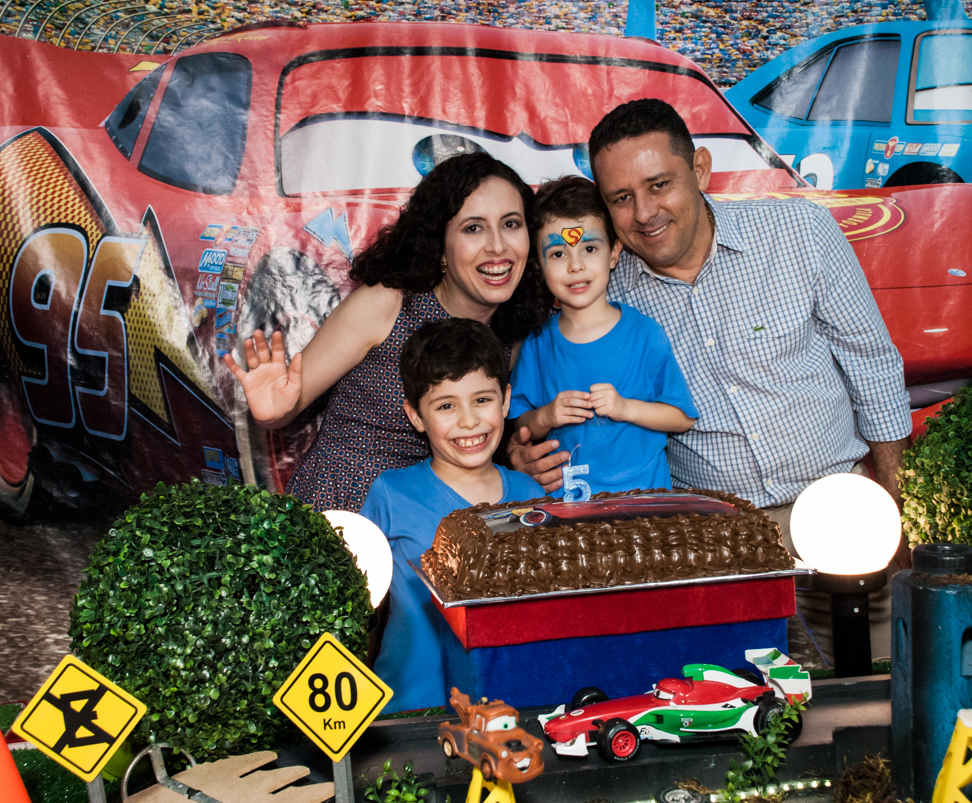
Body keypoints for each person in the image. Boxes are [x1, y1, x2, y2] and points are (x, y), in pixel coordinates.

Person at [510, 99, 912, 654]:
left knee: (883, 689)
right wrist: (527, 452)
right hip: (716, 544)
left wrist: (894, 510)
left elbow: (872, 362)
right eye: (621, 199)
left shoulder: (798, 232)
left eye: (659, 185)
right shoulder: (602, 291)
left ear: (700, 169)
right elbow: (546, 410)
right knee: (754, 712)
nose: (645, 212)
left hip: (841, 514)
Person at [226, 153, 550, 513]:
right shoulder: (387, 305)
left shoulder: (511, 329)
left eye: (511, 224)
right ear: (440, 245)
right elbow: (284, 406)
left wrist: (515, 453)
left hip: (437, 517)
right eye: (473, 228)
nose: (497, 246)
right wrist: (273, 411)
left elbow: (478, 426)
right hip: (349, 512)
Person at [360, 318, 544, 712]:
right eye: (446, 405)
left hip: (510, 707)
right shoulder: (390, 495)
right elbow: (359, 613)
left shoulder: (532, 496)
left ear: (506, 399)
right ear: (415, 416)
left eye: (482, 399)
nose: (469, 420)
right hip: (409, 709)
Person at [509, 175, 697, 498]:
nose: (575, 266)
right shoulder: (538, 344)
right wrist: (547, 415)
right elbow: (520, 423)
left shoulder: (644, 334)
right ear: (539, 266)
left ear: (613, 254)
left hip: (645, 510)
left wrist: (625, 408)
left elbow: (681, 417)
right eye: (557, 254)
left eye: (590, 248)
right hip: (571, 514)